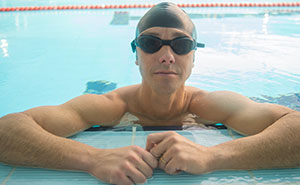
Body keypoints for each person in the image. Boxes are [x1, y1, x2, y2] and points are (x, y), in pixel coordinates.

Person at [0, 2, 300, 185]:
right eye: (151, 43)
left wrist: (213, 156)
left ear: (193, 57)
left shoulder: (211, 104)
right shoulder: (110, 106)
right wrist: (92, 159)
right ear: (136, 55)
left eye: (181, 45)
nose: (167, 55)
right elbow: (8, 129)